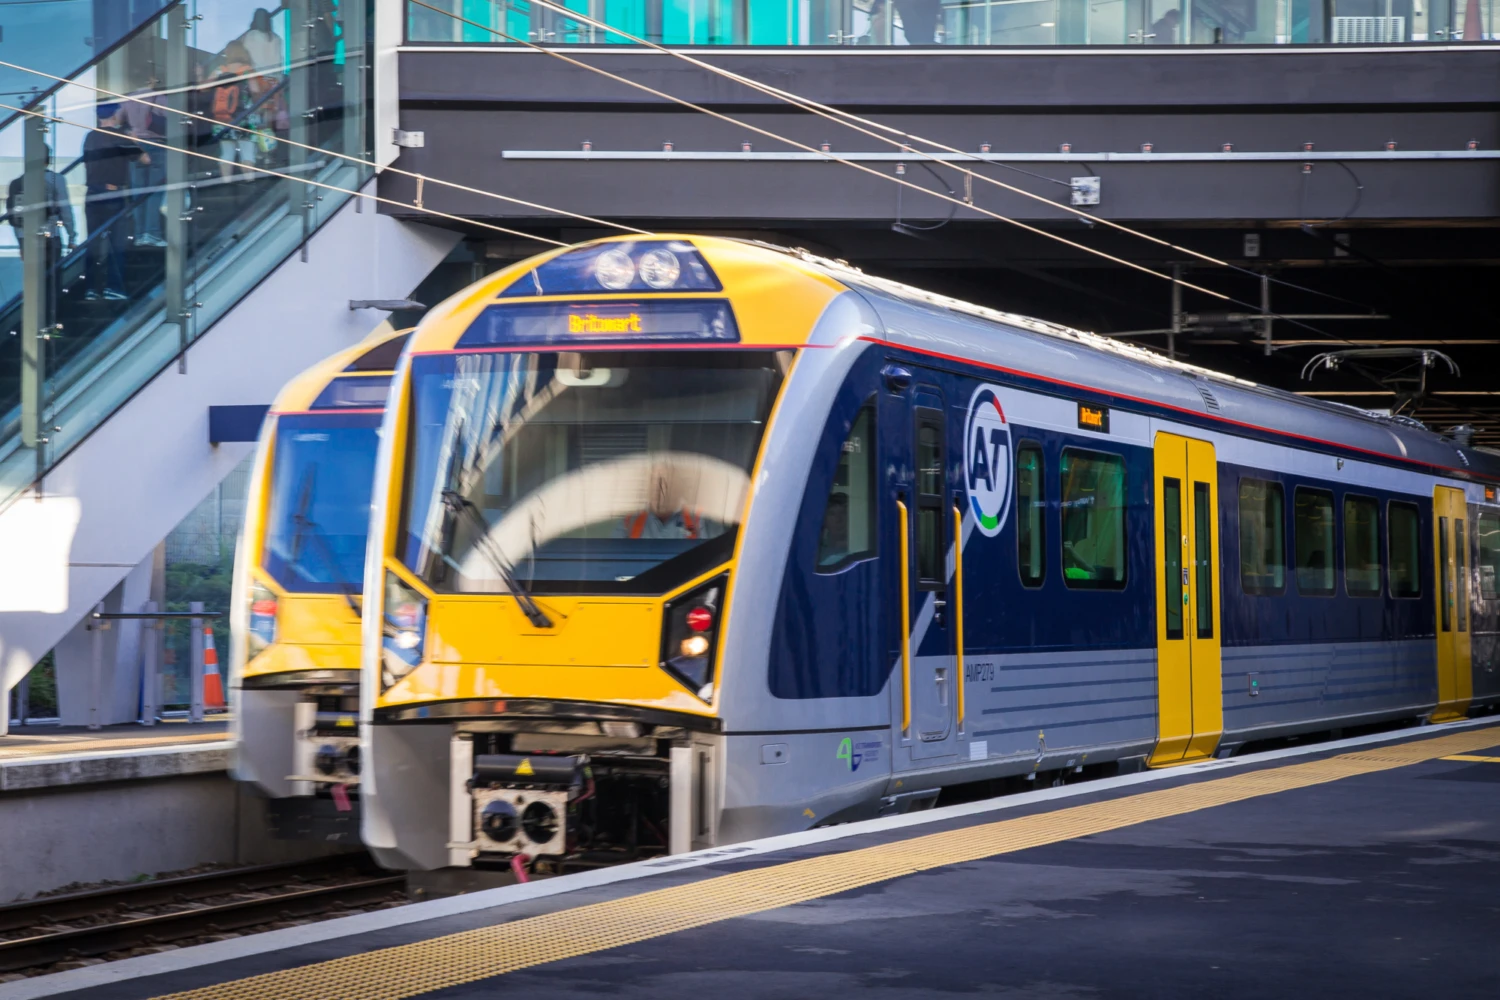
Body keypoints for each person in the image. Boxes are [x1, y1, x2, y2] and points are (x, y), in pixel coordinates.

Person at [81, 103, 147, 301]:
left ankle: (91, 288)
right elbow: (145, 160)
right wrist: (135, 140)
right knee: (116, 242)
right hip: (112, 193)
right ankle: (113, 287)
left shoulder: (90, 136)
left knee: (93, 243)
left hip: (92, 193)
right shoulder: (120, 136)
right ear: (114, 115)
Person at [6, 145, 76, 268]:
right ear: (48, 159)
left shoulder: (16, 183)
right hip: (50, 235)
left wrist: (21, 244)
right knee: (52, 280)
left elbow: (15, 217)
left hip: (26, 238)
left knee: (33, 281)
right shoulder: (56, 179)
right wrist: (72, 237)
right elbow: (66, 211)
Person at [123, 77, 168, 247]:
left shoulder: (128, 99)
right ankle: (153, 234)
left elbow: (117, 120)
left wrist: (133, 132)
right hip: (157, 145)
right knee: (154, 192)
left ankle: (140, 234)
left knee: (138, 192)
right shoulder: (160, 97)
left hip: (136, 146)